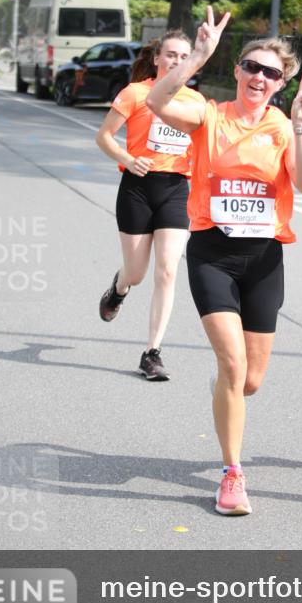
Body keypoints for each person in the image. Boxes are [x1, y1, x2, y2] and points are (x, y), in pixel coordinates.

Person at [147, 7, 302, 516]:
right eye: (252, 66)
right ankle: (232, 473)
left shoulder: (284, 129)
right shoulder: (209, 114)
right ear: (238, 71)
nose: (260, 77)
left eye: (272, 72)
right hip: (213, 254)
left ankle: (228, 391)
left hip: (264, 258)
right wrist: (198, 55)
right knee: (232, 364)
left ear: (282, 82)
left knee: (250, 380)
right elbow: (158, 100)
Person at [95, 31, 204, 381]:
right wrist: (128, 158)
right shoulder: (135, 93)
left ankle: (152, 352)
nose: (176, 61)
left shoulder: (195, 102)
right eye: (170, 55)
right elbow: (104, 136)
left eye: (184, 56)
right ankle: (120, 287)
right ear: (157, 59)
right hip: (137, 188)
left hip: (175, 189)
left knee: (168, 270)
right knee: (137, 273)